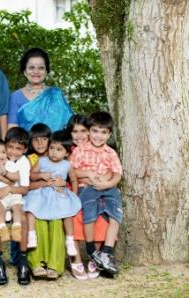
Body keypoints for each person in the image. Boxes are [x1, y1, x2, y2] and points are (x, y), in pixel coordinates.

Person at [70, 111, 123, 275]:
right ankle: (92, 250)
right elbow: (73, 171)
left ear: (109, 134)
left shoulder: (110, 153)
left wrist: (108, 183)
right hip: (87, 188)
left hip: (108, 188)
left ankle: (106, 252)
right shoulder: (80, 150)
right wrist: (87, 175)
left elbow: (117, 173)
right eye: (94, 131)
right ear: (89, 131)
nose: (98, 136)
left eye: (103, 132)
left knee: (116, 216)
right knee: (90, 216)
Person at [24, 129, 81, 279]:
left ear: (67, 153)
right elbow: (30, 176)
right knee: (38, 221)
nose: (54, 152)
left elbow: (73, 180)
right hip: (41, 197)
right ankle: (36, 264)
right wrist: (42, 177)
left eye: (58, 150)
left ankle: (54, 266)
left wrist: (72, 195)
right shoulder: (39, 161)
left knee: (57, 223)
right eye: (52, 148)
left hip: (58, 197)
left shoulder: (67, 165)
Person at [0, 127, 31, 285]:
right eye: (10, 147)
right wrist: (2, 180)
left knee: (23, 219)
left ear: (24, 149)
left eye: (18, 148)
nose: (13, 152)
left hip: (14, 197)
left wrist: (9, 187)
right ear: (5, 145)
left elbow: (23, 187)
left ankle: (23, 262)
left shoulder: (24, 162)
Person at [66, 114, 110, 279]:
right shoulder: (67, 149)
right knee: (75, 216)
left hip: (96, 189)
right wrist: (85, 175)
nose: (79, 135)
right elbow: (68, 172)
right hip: (71, 190)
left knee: (99, 216)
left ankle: (94, 256)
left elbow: (108, 171)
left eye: (83, 131)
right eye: (75, 131)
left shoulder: (100, 149)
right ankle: (76, 259)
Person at [8, 47, 73, 132]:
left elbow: (70, 124)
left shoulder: (56, 94)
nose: (36, 71)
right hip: (27, 144)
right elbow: (13, 128)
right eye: (31, 67)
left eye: (41, 68)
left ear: (46, 71)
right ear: (24, 71)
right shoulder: (16, 96)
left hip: (56, 144)